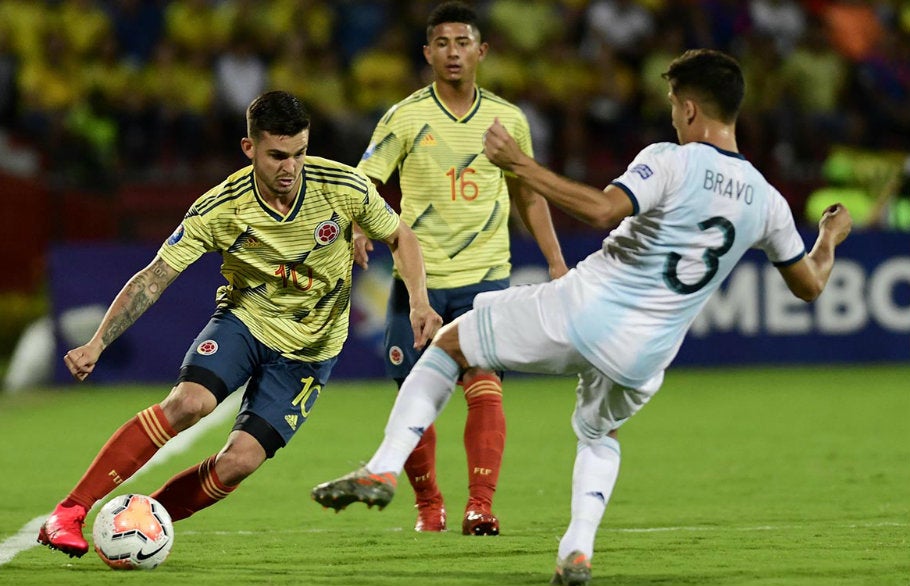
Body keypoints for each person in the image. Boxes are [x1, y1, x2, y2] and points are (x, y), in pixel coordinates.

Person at [311, 49, 853, 585]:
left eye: (671, 104)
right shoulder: (767, 200)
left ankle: (383, 465)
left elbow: (600, 210)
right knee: (600, 431)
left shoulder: (670, 159)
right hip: (648, 352)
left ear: (689, 109)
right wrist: (827, 239)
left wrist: (519, 164)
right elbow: (809, 284)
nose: (670, 115)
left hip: (586, 307)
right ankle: (577, 549)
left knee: (453, 342)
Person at [37, 90, 442, 559]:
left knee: (240, 462)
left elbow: (399, 235)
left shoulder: (343, 187)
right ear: (249, 149)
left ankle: (145, 521)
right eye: (276, 155)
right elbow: (155, 277)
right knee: (189, 402)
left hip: (311, 350)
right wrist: (98, 342)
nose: (290, 167)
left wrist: (418, 301)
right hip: (245, 320)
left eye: (299, 153)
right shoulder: (221, 207)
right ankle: (67, 512)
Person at [349, 1, 567, 536]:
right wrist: (358, 225)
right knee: (411, 395)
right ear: (427, 53)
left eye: (462, 42)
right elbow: (364, 180)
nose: (453, 52)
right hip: (416, 281)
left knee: (484, 384)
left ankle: (481, 507)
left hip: (485, 278)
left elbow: (529, 195)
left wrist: (558, 262)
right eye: (442, 43)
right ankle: (430, 507)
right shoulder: (404, 116)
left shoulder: (508, 120)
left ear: (481, 51)